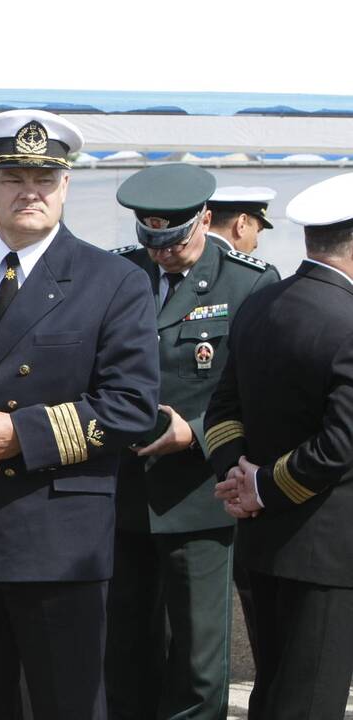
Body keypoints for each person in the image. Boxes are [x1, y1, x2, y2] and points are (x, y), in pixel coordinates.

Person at [0, 110, 161, 720]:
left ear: (65, 186)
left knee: (64, 702)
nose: (28, 191)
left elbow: (132, 406)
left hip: (60, 538)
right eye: (13, 177)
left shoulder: (113, 280)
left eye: (44, 178)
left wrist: (20, 433)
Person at [105, 164, 280, 719]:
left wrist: (196, 433)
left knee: (201, 659)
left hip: (199, 494)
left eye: (175, 240)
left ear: (206, 219)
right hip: (120, 495)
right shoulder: (117, 272)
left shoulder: (249, 281)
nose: (162, 253)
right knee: (125, 647)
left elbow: (261, 392)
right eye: (151, 240)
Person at [207, 172, 353, 719]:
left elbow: (221, 413)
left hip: (261, 542)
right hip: (328, 553)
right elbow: (342, 443)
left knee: (274, 691)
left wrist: (238, 479)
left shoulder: (261, 302)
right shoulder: (347, 320)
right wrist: (262, 486)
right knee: (311, 699)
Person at [205, 186, 276, 254]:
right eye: (257, 231)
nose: (256, 245)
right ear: (241, 225)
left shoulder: (195, 258)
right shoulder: (236, 266)